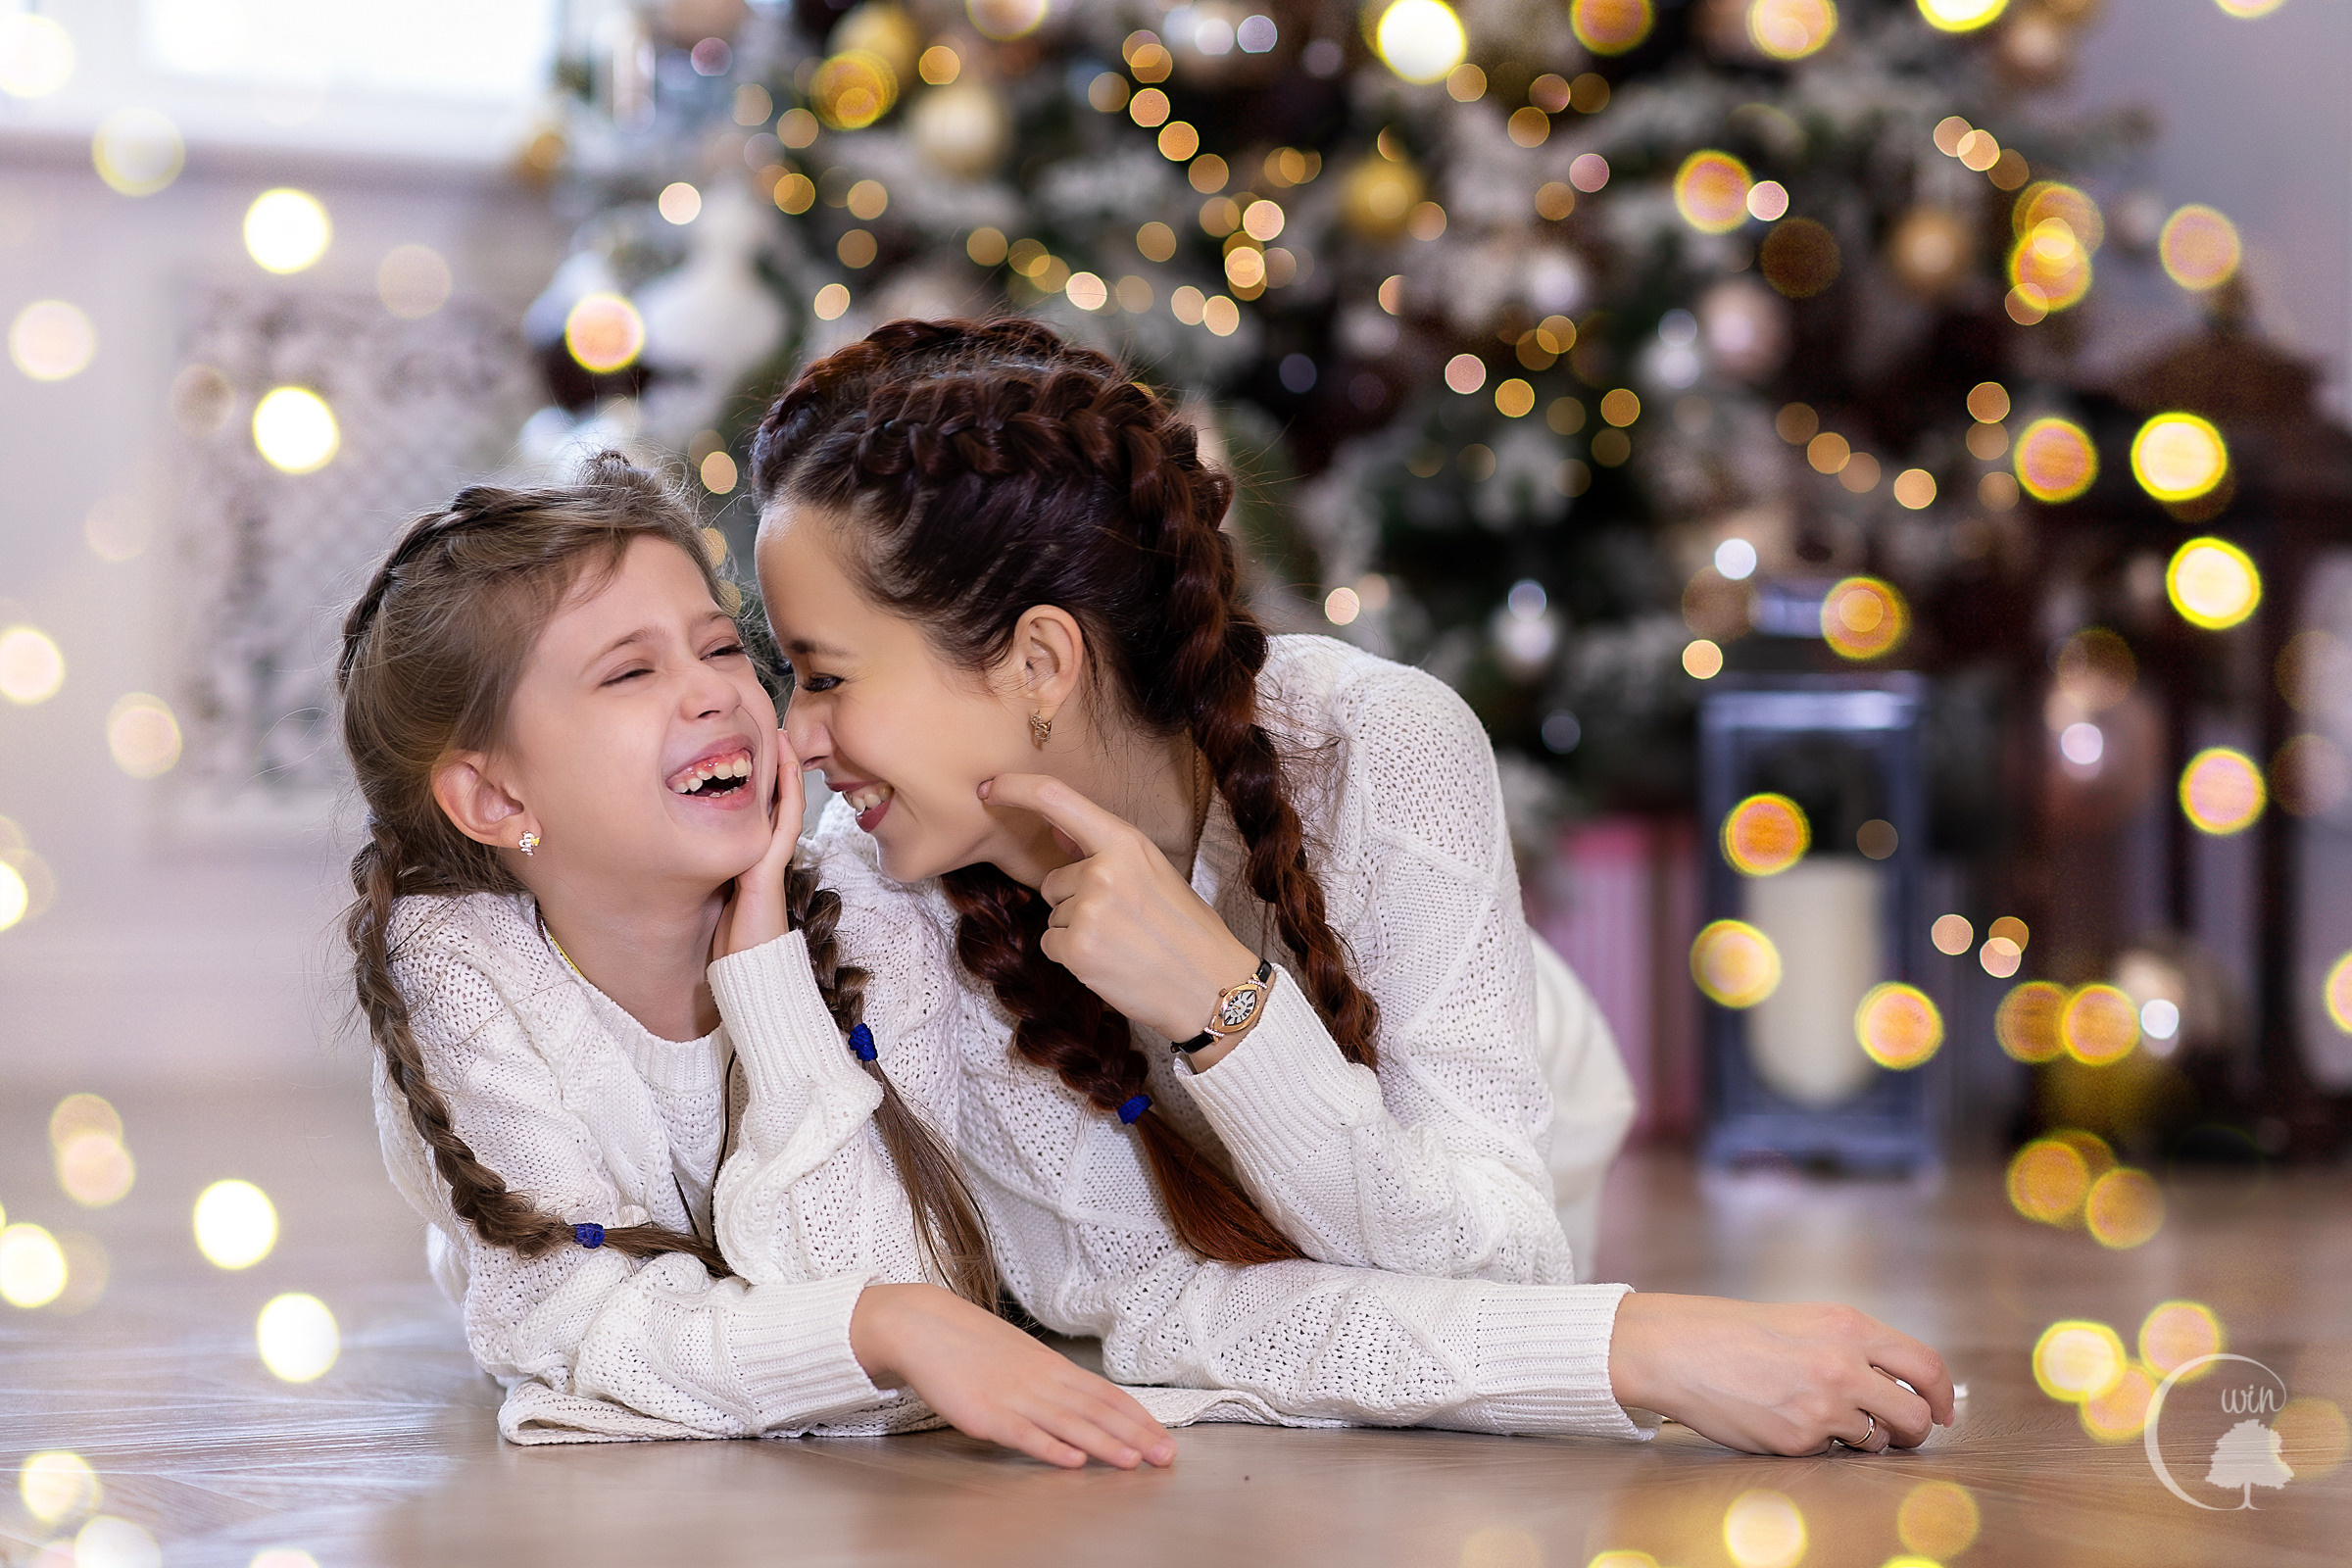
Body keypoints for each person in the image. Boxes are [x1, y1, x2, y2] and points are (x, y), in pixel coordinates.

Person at [748, 317, 1954, 1456]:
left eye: (825, 676)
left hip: (1502, 1104)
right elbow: (1151, 1313)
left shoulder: (1378, 750)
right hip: (1345, 1222)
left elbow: (1495, 1273)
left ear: (1040, 661)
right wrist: (1638, 1345)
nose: (794, 738)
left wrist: (1227, 1010)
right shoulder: (884, 888)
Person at [339, 455, 1216, 1466]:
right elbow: (574, 1324)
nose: (713, 691)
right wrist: (882, 1328)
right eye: (631, 670)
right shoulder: (463, 970)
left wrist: (764, 968)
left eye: (718, 645)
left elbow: (885, 1312)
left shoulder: (875, 913)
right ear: (498, 801)